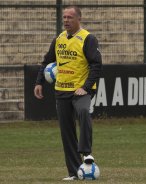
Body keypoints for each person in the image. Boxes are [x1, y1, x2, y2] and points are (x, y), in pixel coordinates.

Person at [34, 6, 102, 180]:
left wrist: (85, 88)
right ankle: (74, 172)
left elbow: (96, 65)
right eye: (64, 17)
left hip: (81, 90)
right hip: (62, 90)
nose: (66, 20)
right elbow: (47, 61)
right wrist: (39, 82)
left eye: (70, 17)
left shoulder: (88, 38)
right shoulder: (59, 39)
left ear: (79, 18)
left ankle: (86, 153)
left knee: (83, 112)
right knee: (67, 131)